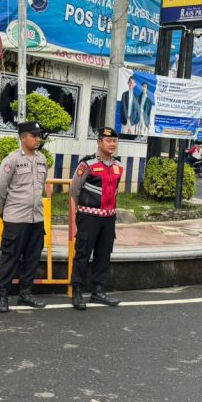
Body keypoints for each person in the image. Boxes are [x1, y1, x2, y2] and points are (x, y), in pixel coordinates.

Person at [0, 121, 49, 313]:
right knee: (10, 257)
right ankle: (2, 295)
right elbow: (0, 188)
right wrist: (5, 211)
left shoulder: (42, 159)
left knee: (32, 258)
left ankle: (25, 294)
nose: (37, 139)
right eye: (34, 135)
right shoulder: (12, 159)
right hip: (16, 218)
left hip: (36, 218)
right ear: (23, 137)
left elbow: (41, 185)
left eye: (39, 136)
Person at [68, 127, 124, 310]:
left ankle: (98, 291)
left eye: (114, 141)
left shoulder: (118, 166)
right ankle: (77, 291)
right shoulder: (87, 164)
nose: (112, 144)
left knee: (103, 255)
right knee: (83, 254)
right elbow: (74, 190)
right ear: (99, 142)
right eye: (108, 141)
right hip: (88, 217)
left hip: (108, 219)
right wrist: (74, 221)